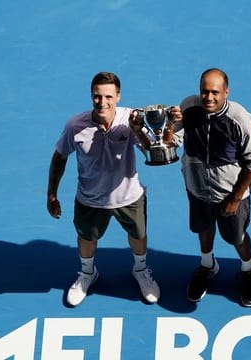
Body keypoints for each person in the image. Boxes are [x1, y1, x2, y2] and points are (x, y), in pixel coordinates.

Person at [47, 71, 160, 307]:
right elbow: (59, 158)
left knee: (138, 235)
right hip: (90, 198)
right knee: (86, 238)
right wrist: (52, 194)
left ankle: (140, 270)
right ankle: (88, 274)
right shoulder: (75, 126)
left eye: (108, 96)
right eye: (97, 96)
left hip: (129, 196)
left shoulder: (132, 118)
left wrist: (138, 130)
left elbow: (152, 149)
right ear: (91, 96)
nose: (102, 102)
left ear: (118, 96)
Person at [171, 68, 251, 307]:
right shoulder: (188, 107)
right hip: (197, 187)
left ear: (226, 93)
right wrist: (169, 123)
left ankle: (249, 269)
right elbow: (173, 141)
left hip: (230, 193)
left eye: (214, 92)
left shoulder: (240, 119)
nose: (208, 97)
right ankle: (207, 264)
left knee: (237, 236)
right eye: (204, 91)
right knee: (203, 227)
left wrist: (235, 198)